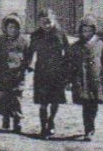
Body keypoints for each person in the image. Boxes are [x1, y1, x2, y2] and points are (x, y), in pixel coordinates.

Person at [24, 9, 71, 138]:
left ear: (53, 20)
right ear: (39, 22)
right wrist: (28, 65)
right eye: (43, 22)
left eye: (48, 21)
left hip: (57, 71)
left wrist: (67, 68)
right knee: (43, 102)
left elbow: (68, 52)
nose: (46, 24)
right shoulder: (35, 35)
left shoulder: (60, 34)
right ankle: (43, 127)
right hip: (42, 72)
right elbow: (30, 52)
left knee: (55, 101)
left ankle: (51, 121)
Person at [69, 15, 103, 140]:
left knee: (94, 105)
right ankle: (88, 129)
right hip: (82, 80)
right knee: (86, 105)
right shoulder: (75, 46)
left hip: (96, 79)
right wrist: (68, 80)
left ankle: (91, 125)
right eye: (84, 31)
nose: (86, 33)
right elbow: (71, 64)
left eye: (89, 30)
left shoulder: (100, 45)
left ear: (94, 31)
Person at [0, 14, 29, 132]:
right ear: (6, 28)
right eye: (10, 27)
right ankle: (5, 116)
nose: (12, 30)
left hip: (17, 75)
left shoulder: (23, 41)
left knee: (16, 97)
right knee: (2, 96)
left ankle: (17, 121)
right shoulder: (0, 41)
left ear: (19, 28)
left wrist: (28, 66)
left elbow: (29, 56)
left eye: (15, 28)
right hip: (2, 74)